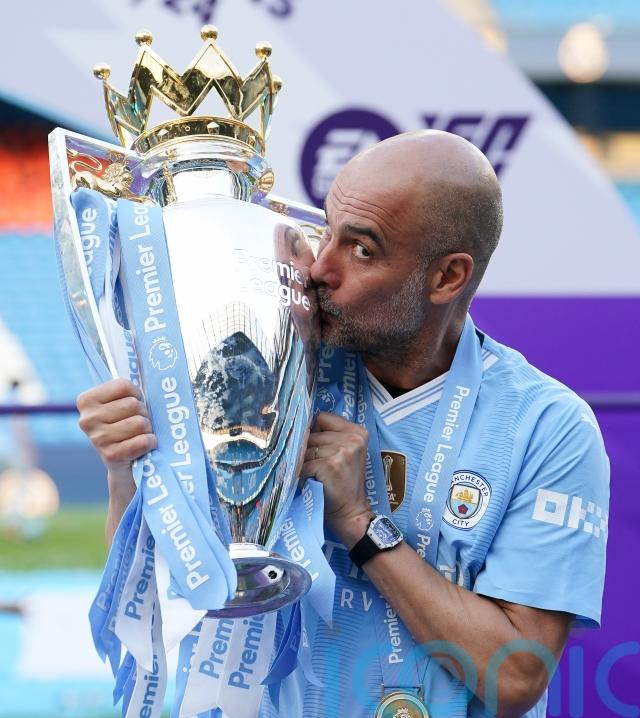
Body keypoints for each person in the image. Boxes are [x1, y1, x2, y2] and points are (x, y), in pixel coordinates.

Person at [77, 130, 609, 718]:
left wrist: (360, 524)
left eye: (361, 249)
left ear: (447, 278)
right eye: (326, 230)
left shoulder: (546, 426)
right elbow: (166, 589)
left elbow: (515, 677)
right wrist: (127, 470)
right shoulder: (273, 367)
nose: (319, 267)